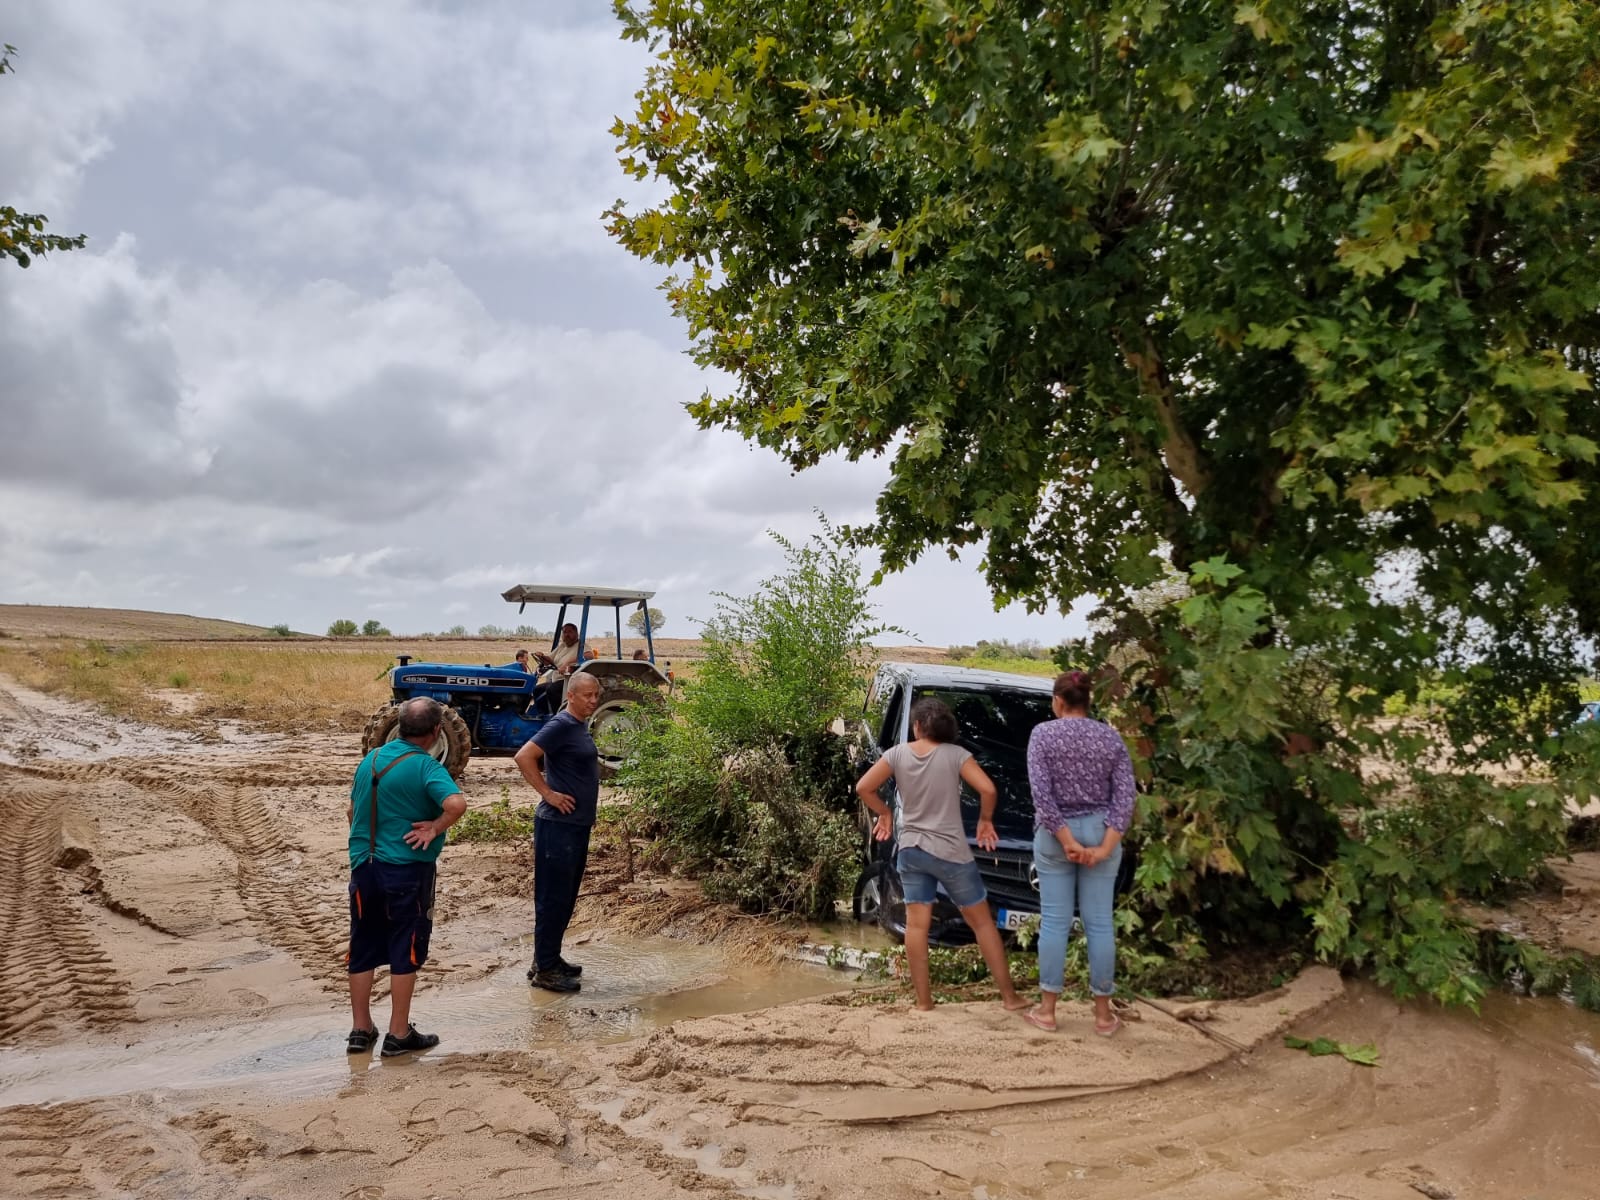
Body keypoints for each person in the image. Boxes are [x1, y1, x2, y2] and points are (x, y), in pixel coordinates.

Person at [854, 697, 1028, 1013]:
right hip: (951, 854)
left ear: (918, 726)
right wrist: (986, 820)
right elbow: (988, 789)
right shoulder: (957, 755)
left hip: (912, 852)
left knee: (917, 927)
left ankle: (924, 1002)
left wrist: (885, 813)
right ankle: (1010, 998)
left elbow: (864, 787)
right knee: (983, 924)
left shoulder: (896, 754)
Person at [345, 697, 466, 1057]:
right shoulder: (426, 767)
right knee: (405, 946)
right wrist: (434, 828)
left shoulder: (372, 759)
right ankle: (398, 1034)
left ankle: (360, 1029)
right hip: (406, 870)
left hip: (363, 867)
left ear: (400, 726)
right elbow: (456, 804)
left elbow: (352, 810)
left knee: (362, 946)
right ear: (435, 732)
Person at [1023, 670, 1135, 1036]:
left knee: (1055, 922)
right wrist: (1105, 846)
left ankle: (1047, 1012)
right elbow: (1125, 797)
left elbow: (1042, 796)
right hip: (1103, 829)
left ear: (1057, 701)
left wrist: (1067, 840)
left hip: (1057, 837)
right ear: (1088, 701)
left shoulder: (1042, 734)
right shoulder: (1110, 738)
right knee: (1099, 923)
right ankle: (1103, 1017)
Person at [514, 671, 602, 993]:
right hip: (558, 825)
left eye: (596, 695)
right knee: (554, 898)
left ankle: (547, 958)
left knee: (563, 897)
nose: (594, 700)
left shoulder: (577, 725)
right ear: (572, 696)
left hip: (574, 825)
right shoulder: (562, 724)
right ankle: (546, 971)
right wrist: (548, 793)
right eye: (588, 695)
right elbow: (524, 756)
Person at [532, 624, 582, 713]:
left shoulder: (581, 646)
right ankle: (543, 715)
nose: (567, 634)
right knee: (537, 689)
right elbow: (549, 660)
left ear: (576, 633)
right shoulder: (562, 646)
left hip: (569, 680)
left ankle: (558, 716)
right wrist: (542, 656)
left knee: (552, 689)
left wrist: (569, 663)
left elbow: (589, 656)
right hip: (556, 679)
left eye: (570, 632)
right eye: (564, 632)